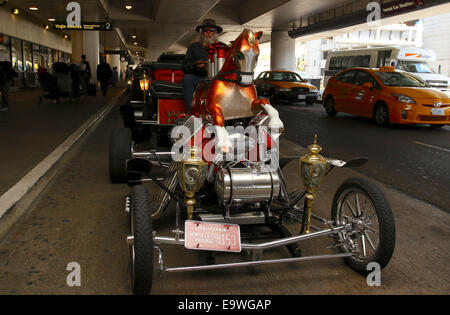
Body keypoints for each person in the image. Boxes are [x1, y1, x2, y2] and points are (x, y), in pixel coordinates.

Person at [182, 19, 223, 113]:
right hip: (199, 78)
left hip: (219, 79)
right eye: (205, 31)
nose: (208, 33)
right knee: (187, 79)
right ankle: (190, 111)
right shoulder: (193, 47)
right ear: (202, 33)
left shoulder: (223, 47)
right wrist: (196, 66)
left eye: (211, 30)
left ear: (215, 32)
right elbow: (185, 66)